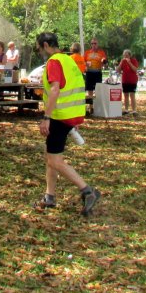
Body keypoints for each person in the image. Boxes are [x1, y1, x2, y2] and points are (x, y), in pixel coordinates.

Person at [33, 32, 100, 216]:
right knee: (50, 156)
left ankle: (88, 191)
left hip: (58, 116)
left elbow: (55, 89)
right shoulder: (70, 60)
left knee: (55, 160)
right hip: (69, 115)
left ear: (46, 45)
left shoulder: (54, 61)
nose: (40, 52)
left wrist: (46, 117)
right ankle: (50, 197)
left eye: (40, 48)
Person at [118, 49, 140, 115]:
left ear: (130, 55)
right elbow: (118, 70)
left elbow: (135, 69)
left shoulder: (134, 60)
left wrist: (129, 62)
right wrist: (121, 63)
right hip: (125, 80)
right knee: (126, 95)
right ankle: (126, 109)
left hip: (132, 80)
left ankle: (134, 110)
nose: (125, 57)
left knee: (132, 95)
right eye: (124, 55)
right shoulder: (123, 61)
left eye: (127, 55)